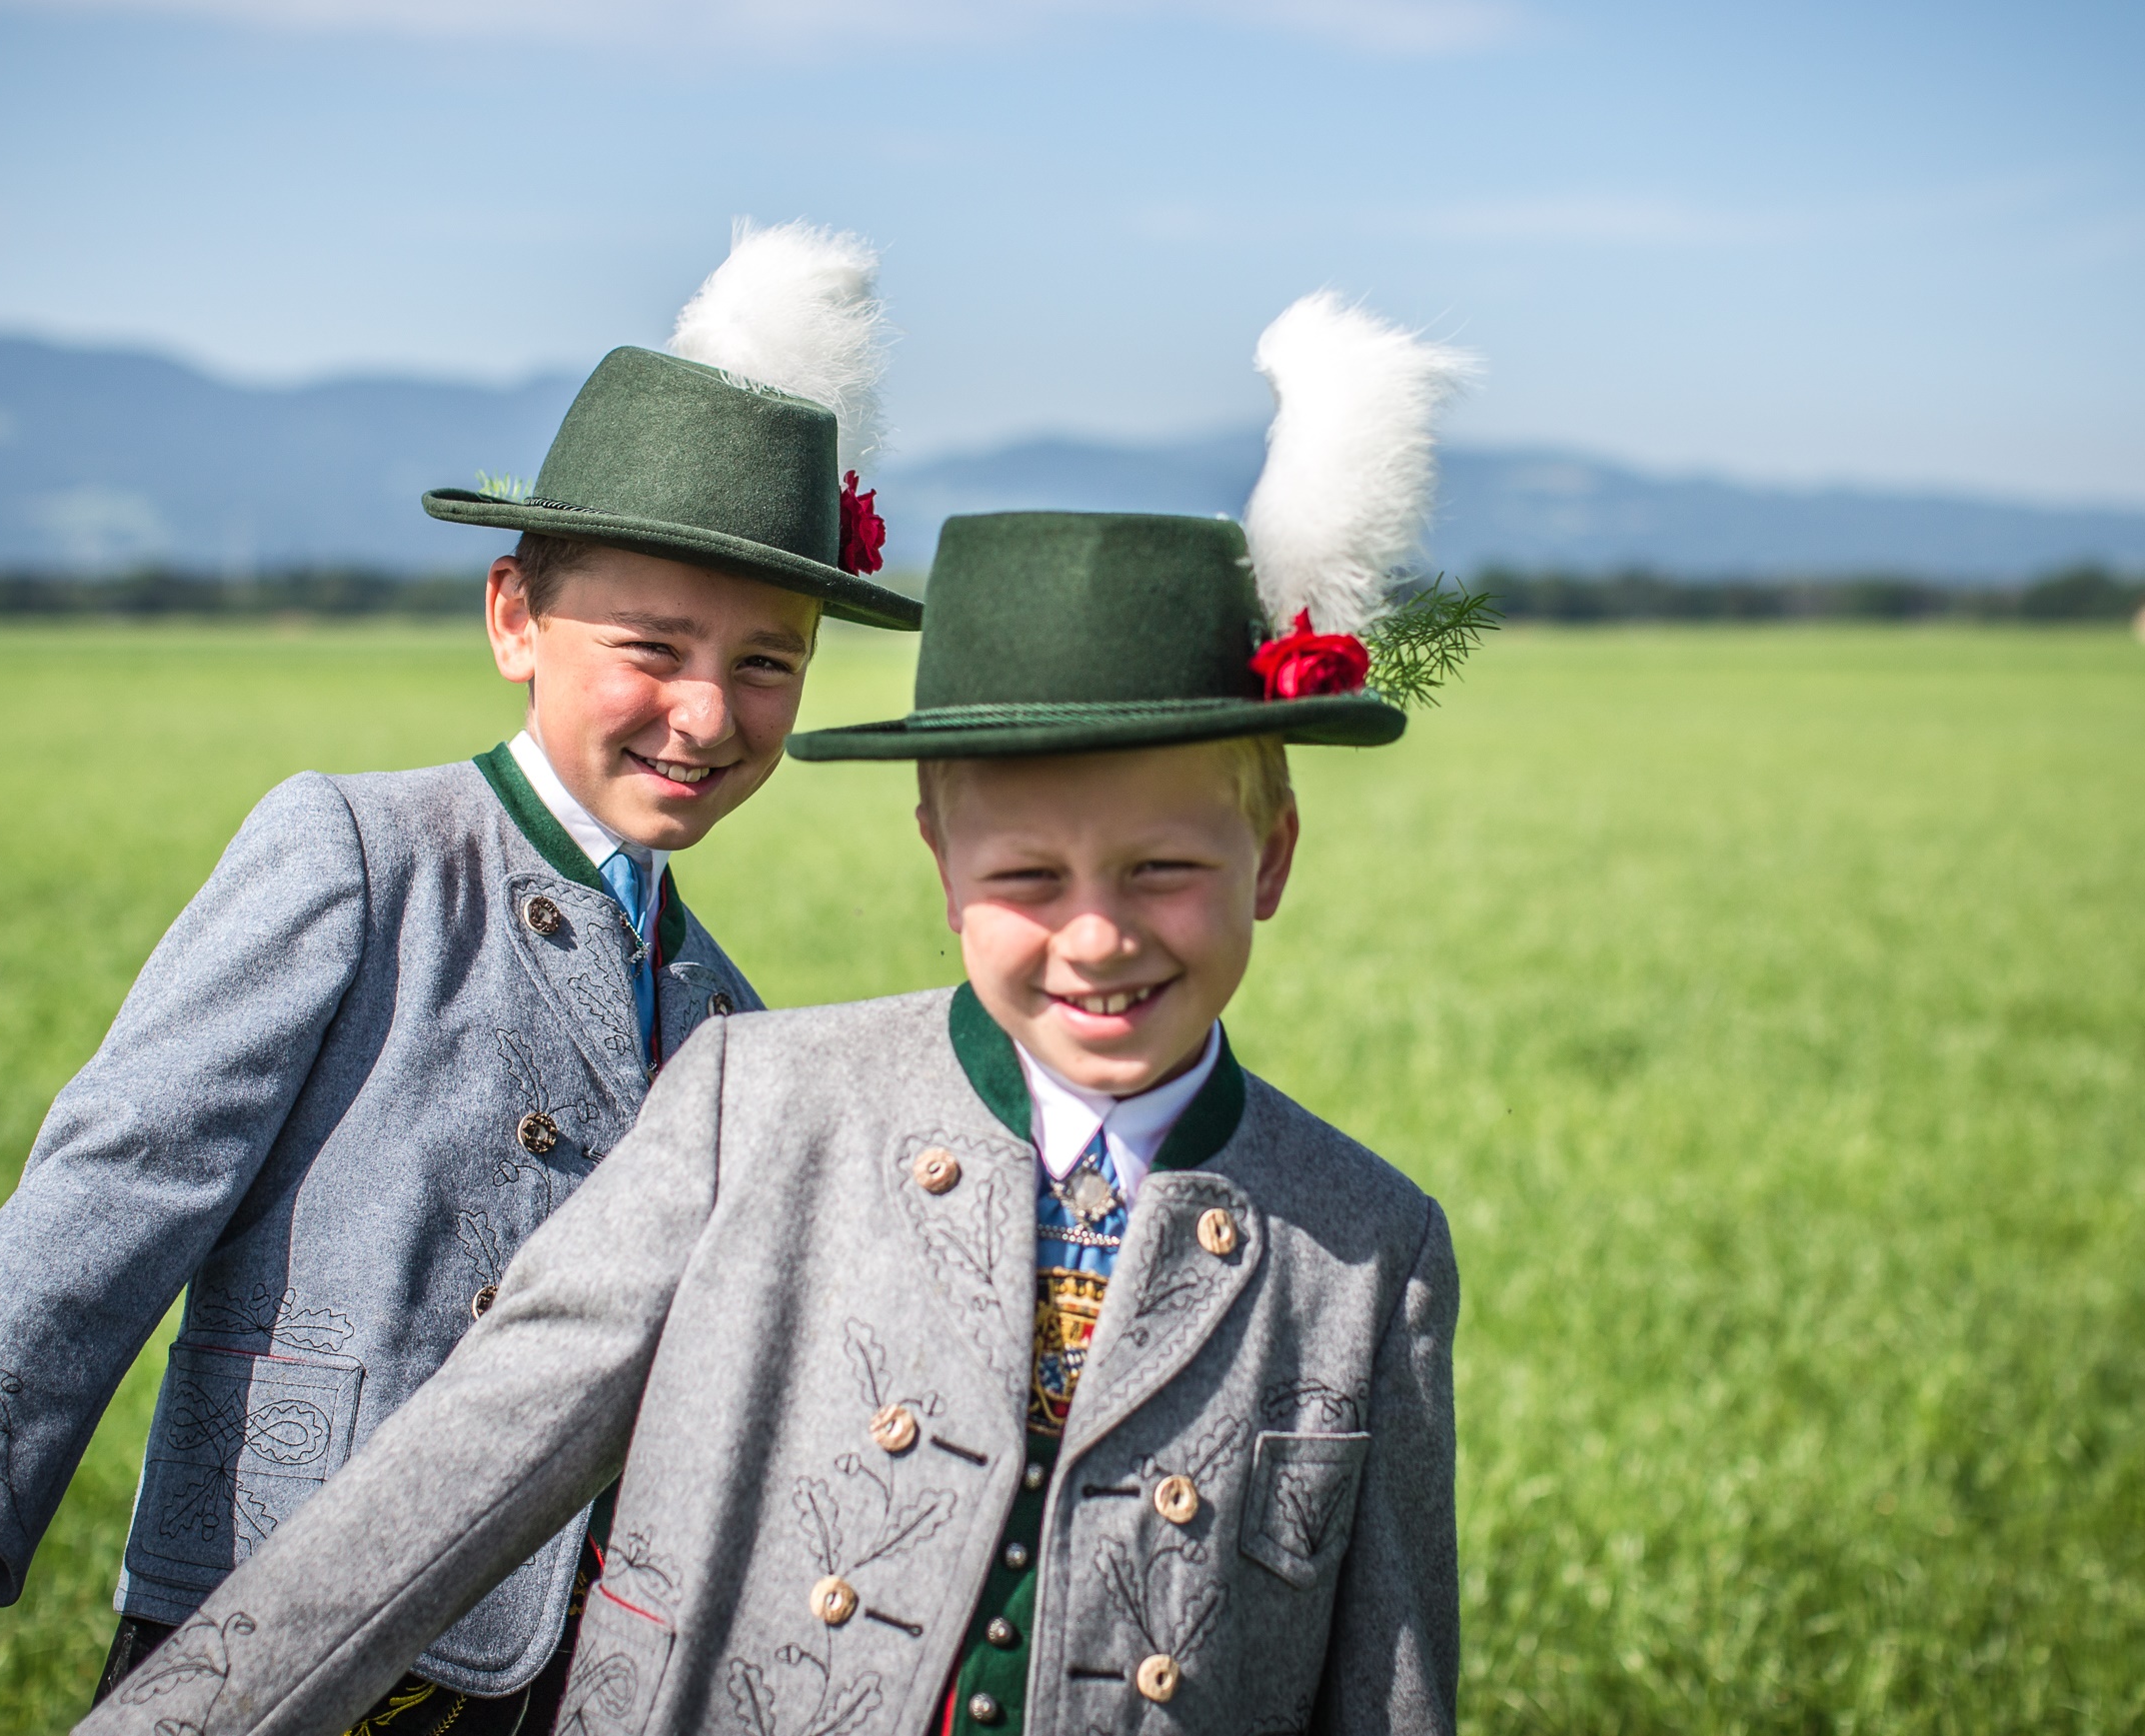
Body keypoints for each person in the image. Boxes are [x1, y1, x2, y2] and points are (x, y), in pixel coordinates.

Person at [72, 291, 1480, 1736]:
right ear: (939, 860)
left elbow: (1390, 1685)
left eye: (1165, 870)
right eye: (1027, 874)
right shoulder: (763, 1104)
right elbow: (448, 1483)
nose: (1098, 932)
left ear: (1277, 854)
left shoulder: (1367, 1245)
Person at [0, 223, 922, 1736]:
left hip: (577, 1681)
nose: (705, 709)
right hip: (272, 1634)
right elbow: (108, 1194)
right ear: (512, 618)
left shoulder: (731, 1014)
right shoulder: (360, 853)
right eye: (652, 644)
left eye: (768, 661)